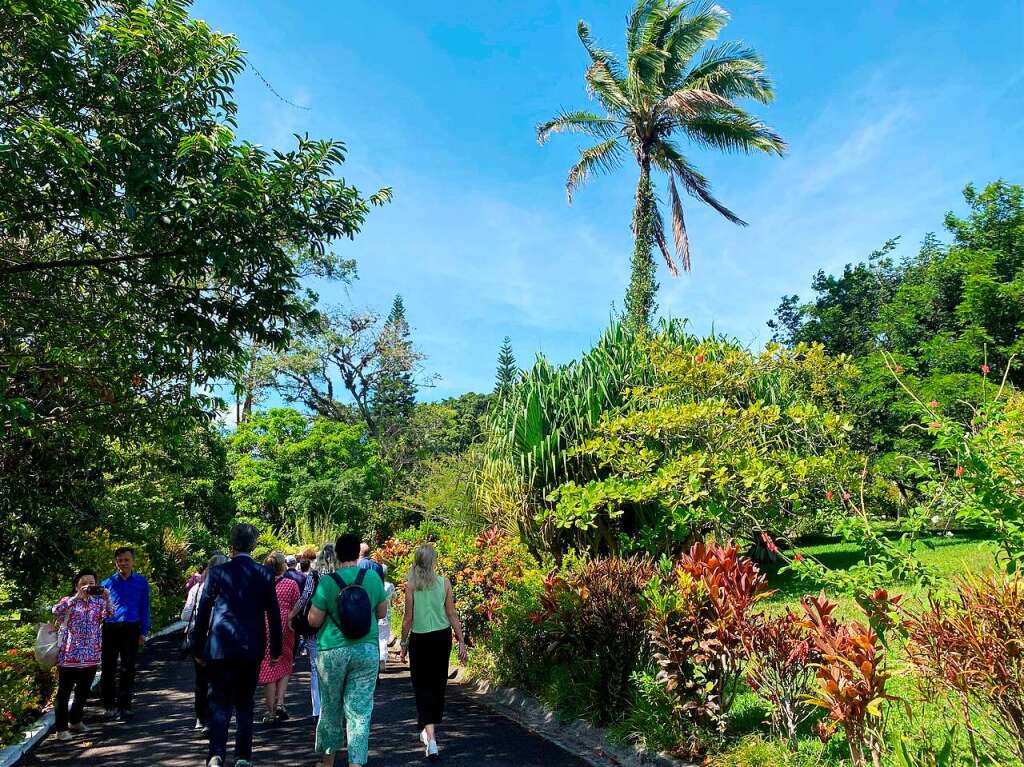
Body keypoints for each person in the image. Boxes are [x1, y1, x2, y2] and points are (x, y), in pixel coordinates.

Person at [191, 524, 283, 767]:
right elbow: (273, 614)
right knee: (245, 702)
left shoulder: (219, 572)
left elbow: (203, 613)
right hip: (251, 648)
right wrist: (275, 650)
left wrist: (197, 647)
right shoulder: (264, 573)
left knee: (219, 702)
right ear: (253, 546)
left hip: (220, 646)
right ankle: (243, 756)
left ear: (232, 546)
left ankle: (215, 754)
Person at [307, 533, 388, 767]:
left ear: (338, 555)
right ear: (357, 553)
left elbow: (313, 620)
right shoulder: (372, 578)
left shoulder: (328, 582)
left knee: (331, 709)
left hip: (332, 651)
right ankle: (356, 762)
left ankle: (328, 762)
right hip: (366, 650)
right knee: (360, 712)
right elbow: (382, 613)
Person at [399, 544, 468, 761]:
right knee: (438, 685)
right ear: (434, 562)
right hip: (441, 638)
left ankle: (431, 739)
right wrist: (461, 641)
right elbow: (451, 613)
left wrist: (403, 642)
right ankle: (430, 733)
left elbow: (408, 618)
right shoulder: (444, 582)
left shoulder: (411, 585)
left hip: (420, 640)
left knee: (422, 687)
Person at [51, 569, 114, 740]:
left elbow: (110, 614)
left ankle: (75, 721)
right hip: (69, 654)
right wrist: (76, 597)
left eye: (91, 583)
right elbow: (56, 611)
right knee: (64, 693)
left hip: (91, 654)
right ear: (76, 584)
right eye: (83, 582)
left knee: (83, 691)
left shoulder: (98, 602)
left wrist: (107, 597)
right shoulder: (69, 601)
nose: (87, 586)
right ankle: (61, 729)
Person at [100, 546, 150, 721]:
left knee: (128, 668)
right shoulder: (106, 584)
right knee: (108, 667)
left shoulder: (141, 582)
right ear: (116, 562)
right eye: (120, 560)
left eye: (126, 560)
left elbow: (145, 607)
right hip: (111, 628)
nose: (123, 563)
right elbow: (99, 610)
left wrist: (143, 632)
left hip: (132, 628)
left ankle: (125, 706)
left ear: (133, 561)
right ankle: (109, 706)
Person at [182, 554, 229, 734]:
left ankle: (201, 719)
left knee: (201, 681)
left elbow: (185, 615)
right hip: (221, 639)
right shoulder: (229, 590)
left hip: (199, 639)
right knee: (217, 681)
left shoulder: (197, 588)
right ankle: (215, 717)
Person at [258, 551, 301, 724]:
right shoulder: (291, 584)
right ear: (283, 565)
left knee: (268, 666)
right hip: (286, 624)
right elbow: (297, 604)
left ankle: (269, 712)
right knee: (285, 662)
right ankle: (281, 703)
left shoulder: (261, 585)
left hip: (264, 623)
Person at [305, 544, 337, 719]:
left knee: (315, 668)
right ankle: (333, 706)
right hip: (335, 628)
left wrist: (292, 616)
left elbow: (305, 597)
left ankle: (317, 709)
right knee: (334, 668)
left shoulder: (314, 576)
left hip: (315, 627)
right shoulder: (340, 577)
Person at [378, 565, 396, 673]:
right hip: (386, 615)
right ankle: (382, 659)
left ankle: (377, 659)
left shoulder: (376, 585)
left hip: (376, 616)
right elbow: (394, 597)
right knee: (384, 639)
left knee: (376, 638)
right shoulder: (389, 586)